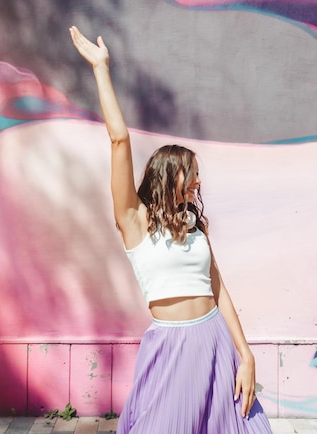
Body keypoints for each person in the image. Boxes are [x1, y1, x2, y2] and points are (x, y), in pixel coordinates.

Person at [69, 26, 273, 434]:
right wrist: (101, 69)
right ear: (169, 176)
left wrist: (245, 354)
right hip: (171, 348)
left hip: (215, 341)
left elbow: (217, 286)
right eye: (192, 175)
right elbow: (118, 140)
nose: (198, 183)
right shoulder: (134, 221)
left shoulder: (196, 225)